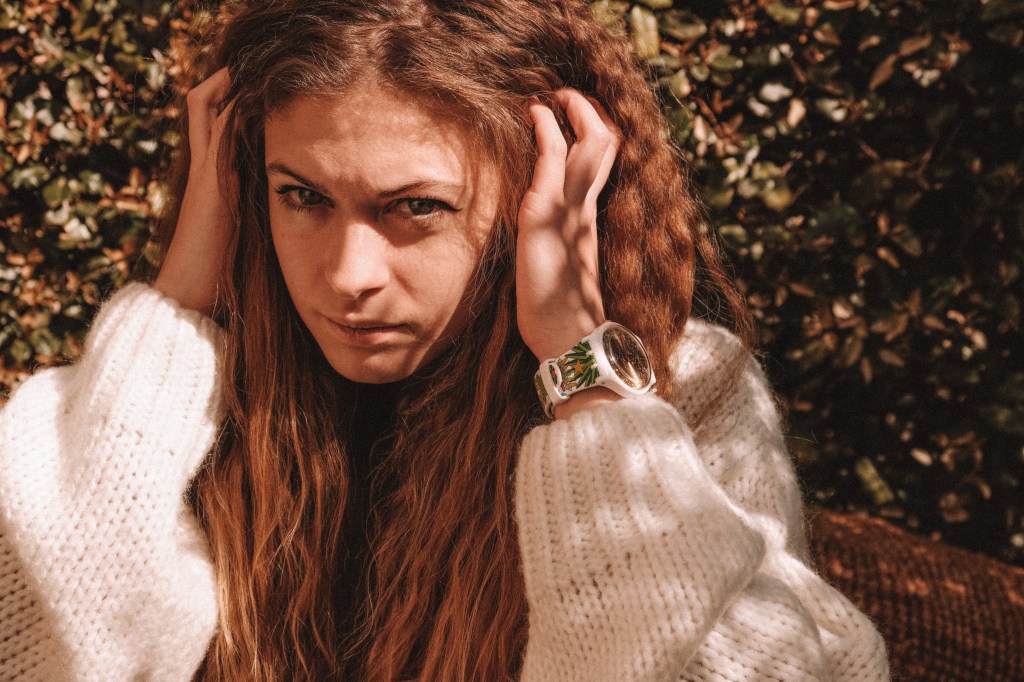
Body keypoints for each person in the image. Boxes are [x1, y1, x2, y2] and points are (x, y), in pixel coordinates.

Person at [0, 0, 891, 679]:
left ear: (540, 193)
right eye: (302, 196)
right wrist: (174, 309)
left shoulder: (680, 386)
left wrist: (584, 377)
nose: (349, 274)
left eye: (416, 207)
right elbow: (41, 644)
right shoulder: (198, 394)